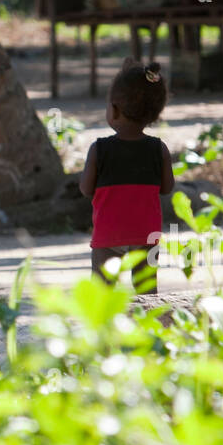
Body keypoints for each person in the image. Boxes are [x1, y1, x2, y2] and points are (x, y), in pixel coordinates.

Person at [78, 57, 175, 293]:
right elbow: (167, 187)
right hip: (147, 236)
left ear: (114, 109)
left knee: (102, 292)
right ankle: (148, 327)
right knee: (147, 291)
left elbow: (85, 189)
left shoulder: (98, 149)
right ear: (153, 114)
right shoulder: (158, 148)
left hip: (108, 234)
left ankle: (103, 329)